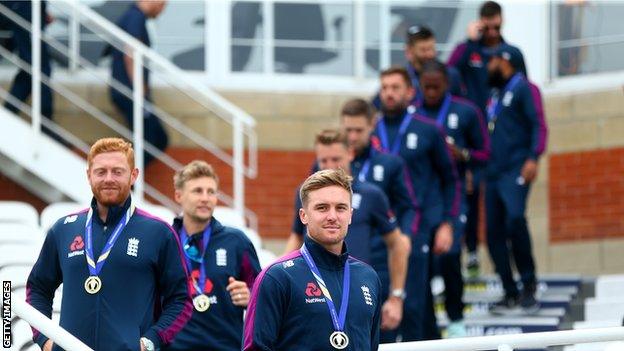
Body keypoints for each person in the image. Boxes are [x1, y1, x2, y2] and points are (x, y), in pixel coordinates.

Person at [26, 137, 192, 351]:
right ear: (89, 176)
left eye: (118, 171)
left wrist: (150, 341)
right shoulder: (64, 229)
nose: (109, 178)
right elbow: (38, 288)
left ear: (133, 175)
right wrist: (45, 340)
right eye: (101, 171)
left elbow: (182, 300)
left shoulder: (159, 232)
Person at [283, 129, 410, 338]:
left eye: (336, 159)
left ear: (350, 154)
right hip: (314, 292)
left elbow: (399, 243)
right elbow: (295, 237)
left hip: (358, 292)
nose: (329, 166)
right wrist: (276, 276)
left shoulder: (372, 195)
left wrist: (396, 297)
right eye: (323, 160)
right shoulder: (306, 194)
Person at [244, 169, 382, 350]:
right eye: (322, 207)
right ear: (303, 216)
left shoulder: (368, 277)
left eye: (340, 208)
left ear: (350, 215)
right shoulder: (277, 277)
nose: (332, 216)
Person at [373, 66, 460, 341]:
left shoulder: (429, 129)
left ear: (410, 92)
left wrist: (447, 223)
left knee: (413, 305)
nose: (389, 93)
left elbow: (451, 179)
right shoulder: (370, 131)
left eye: (395, 87)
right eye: (384, 87)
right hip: (380, 231)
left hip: (417, 226)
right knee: (383, 303)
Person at [447, 1, 526, 276]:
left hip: (501, 143)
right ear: (480, 22)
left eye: (497, 26)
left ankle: (508, 266)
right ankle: (471, 250)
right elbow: (448, 71)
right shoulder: (471, 50)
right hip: (472, 134)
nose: (492, 31)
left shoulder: (510, 53)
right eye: (487, 26)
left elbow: (522, 91)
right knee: (469, 194)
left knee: (507, 212)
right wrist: (468, 41)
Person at [415, 59, 490, 337]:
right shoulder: (412, 116)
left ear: (446, 83)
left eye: (436, 86)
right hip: (420, 200)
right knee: (421, 262)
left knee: (450, 254)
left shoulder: (466, 111)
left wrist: (464, 156)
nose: (431, 92)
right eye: (426, 87)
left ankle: (456, 317)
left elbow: (485, 153)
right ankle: (430, 325)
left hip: (454, 192)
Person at [339, 98, 417, 343]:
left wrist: (405, 237)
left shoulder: (389, 163)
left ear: (372, 125)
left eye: (358, 130)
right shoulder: (329, 164)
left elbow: (409, 206)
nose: (352, 136)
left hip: (380, 262)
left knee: (379, 338)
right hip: (338, 265)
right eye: (347, 130)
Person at [164, 160, 261, 350]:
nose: (205, 198)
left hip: (225, 346)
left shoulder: (237, 241)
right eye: (197, 191)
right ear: (178, 195)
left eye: (211, 192)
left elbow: (263, 292)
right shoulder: (164, 240)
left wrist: (250, 295)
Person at [485, 45, 547, 315]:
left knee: (514, 220)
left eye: (492, 60)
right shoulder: (495, 93)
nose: (488, 66)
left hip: (516, 168)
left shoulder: (525, 88)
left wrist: (534, 156)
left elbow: (539, 124)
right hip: (493, 172)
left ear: (506, 62)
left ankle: (529, 285)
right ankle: (509, 291)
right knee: (492, 232)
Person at [110, 0, 169, 166]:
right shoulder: (135, 17)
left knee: (155, 139)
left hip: (131, 92)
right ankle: (123, 179)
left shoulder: (135, 17)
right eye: (163, 4)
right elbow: (131, 54)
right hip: (130, 93)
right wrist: (139, 88)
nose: (162, 9)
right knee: (153, 139)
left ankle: (125, 180)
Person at [372, 25, 464, 111]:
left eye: (431, 48)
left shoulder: (450, 75)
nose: (429, 54)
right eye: (423, 50)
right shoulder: (400, 78)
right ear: (409, 52)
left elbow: (461, 106)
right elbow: (375, 108)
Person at [3, 1, 57, 140]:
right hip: (23, 10)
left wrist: (41, 11)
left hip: (27, 10)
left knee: (31, 71)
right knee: (39, 69)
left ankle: (9, 115)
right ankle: (45, 126)